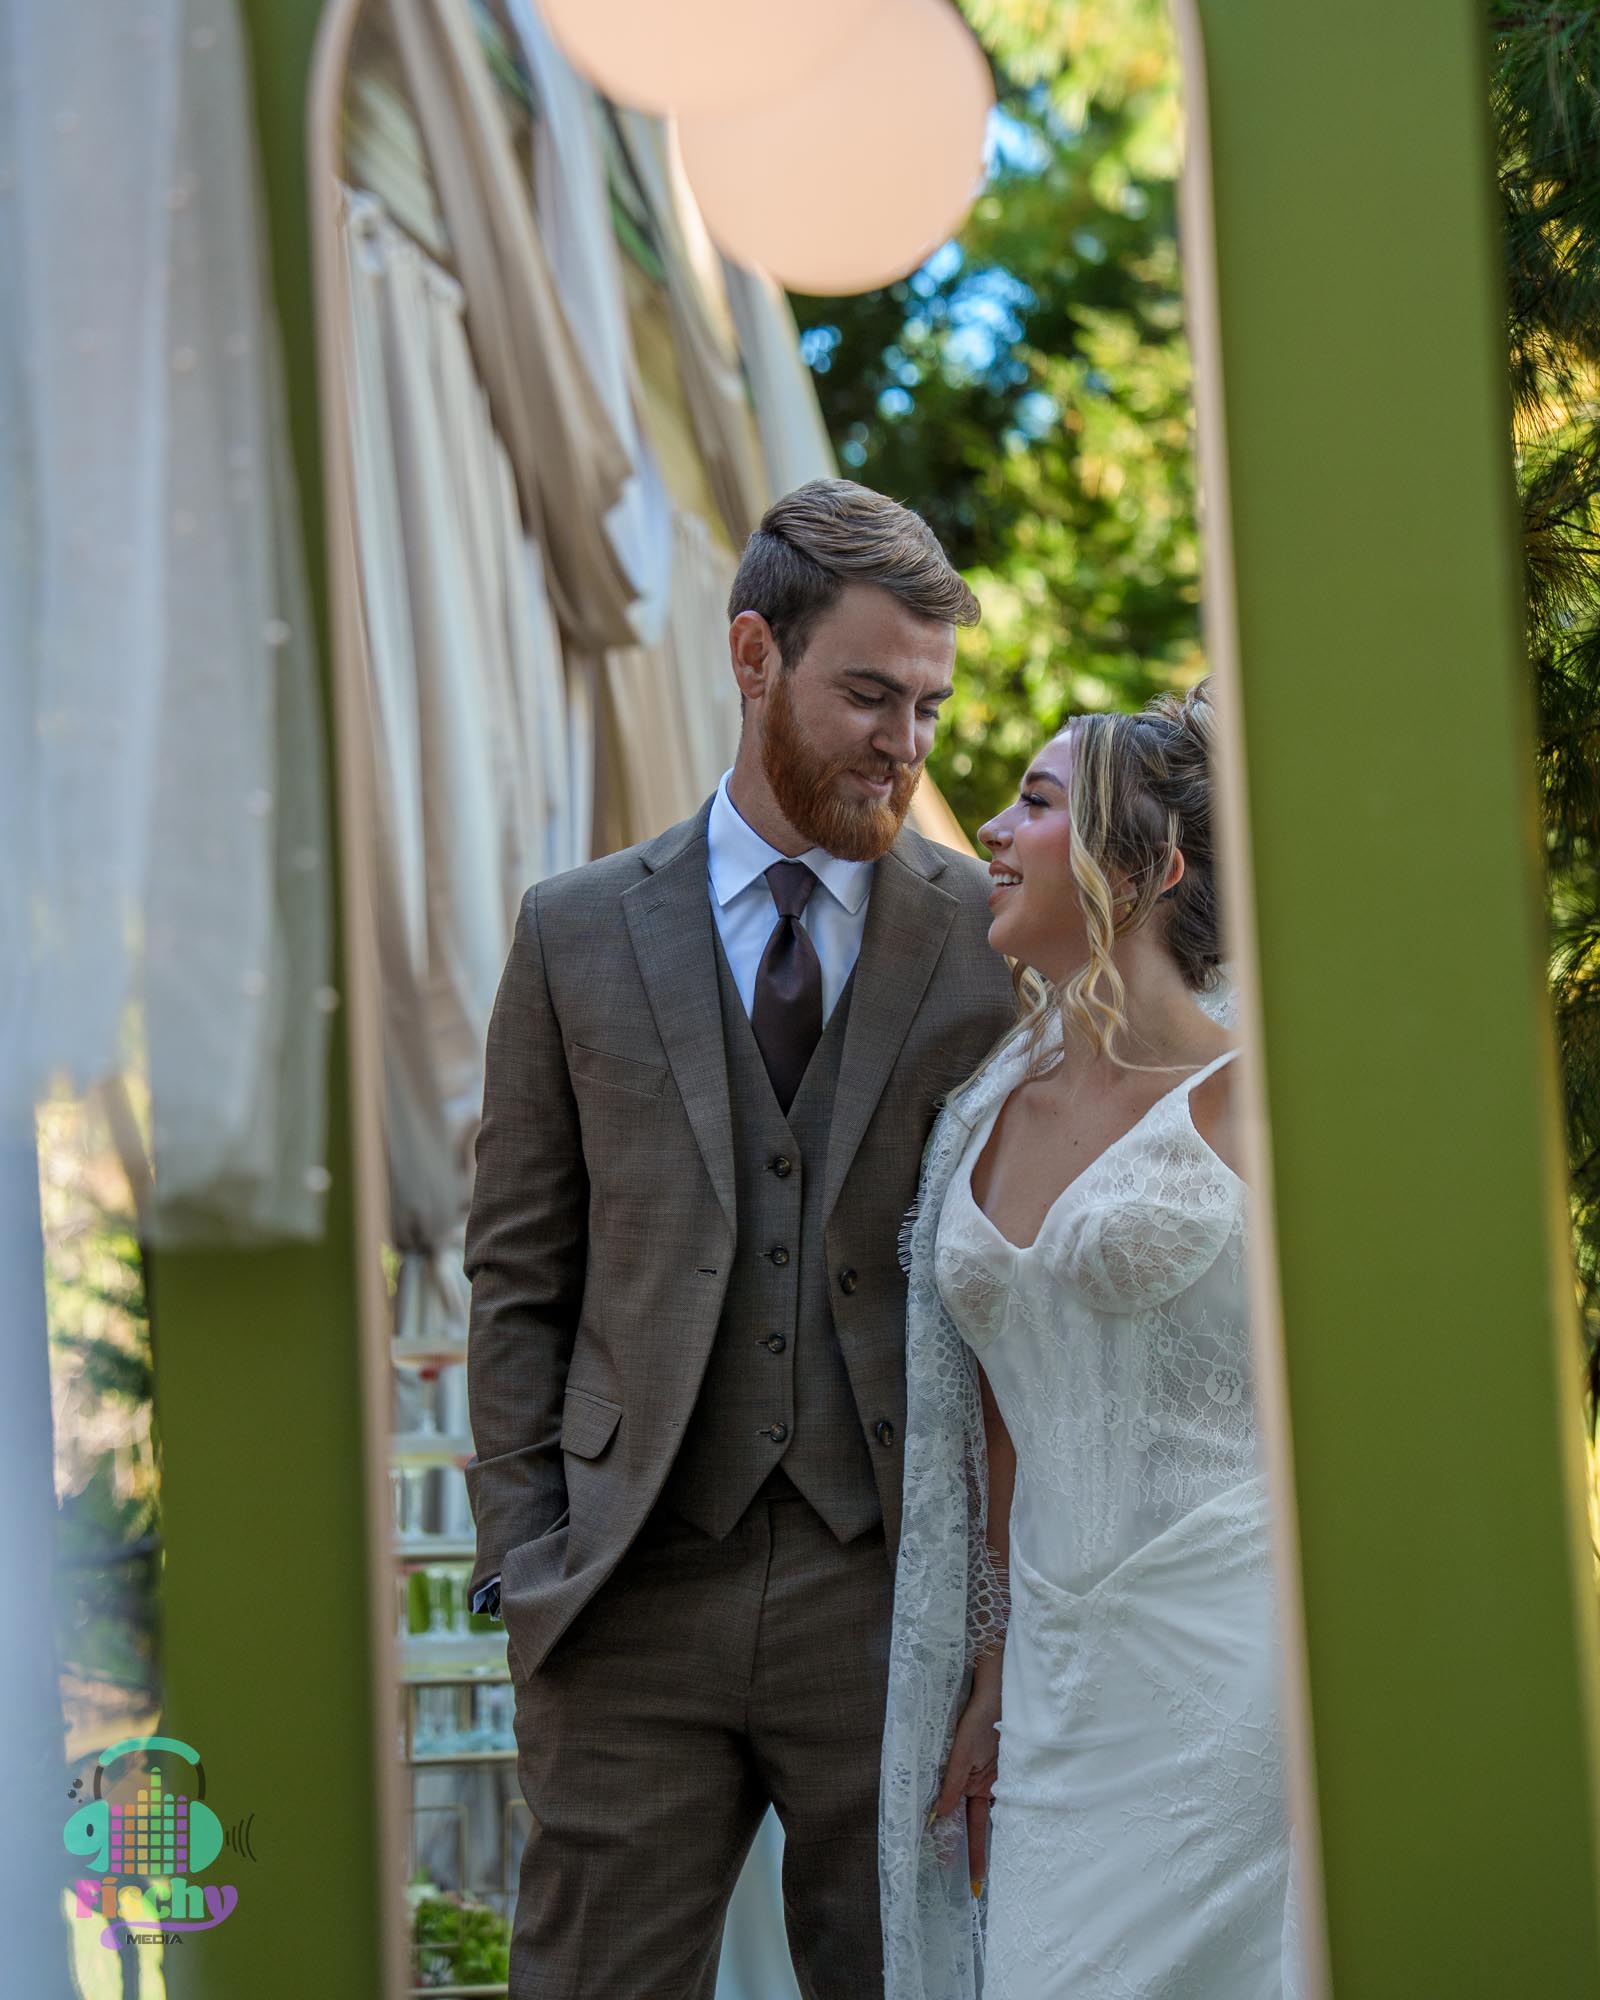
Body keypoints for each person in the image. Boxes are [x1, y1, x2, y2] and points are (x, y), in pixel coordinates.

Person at [463, 478, 1016, 1999]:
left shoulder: (987, 943)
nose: (904, 743)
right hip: (631, 1582)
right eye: (866, 695)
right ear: (753, 655)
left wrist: (992, 1619)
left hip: (885, 1584)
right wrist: (527, 1560)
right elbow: (518, 1273)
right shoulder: (573, 932)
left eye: (927, 704)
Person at [881, 684, 1300, 1999]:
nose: (992, 831)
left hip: (1239, 1664)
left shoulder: (1258, 1103)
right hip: (1061, 1680)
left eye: (1039, 803)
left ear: (1150, 866)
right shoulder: (981, 1111)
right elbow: (998, 1409)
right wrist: (996, 1662)